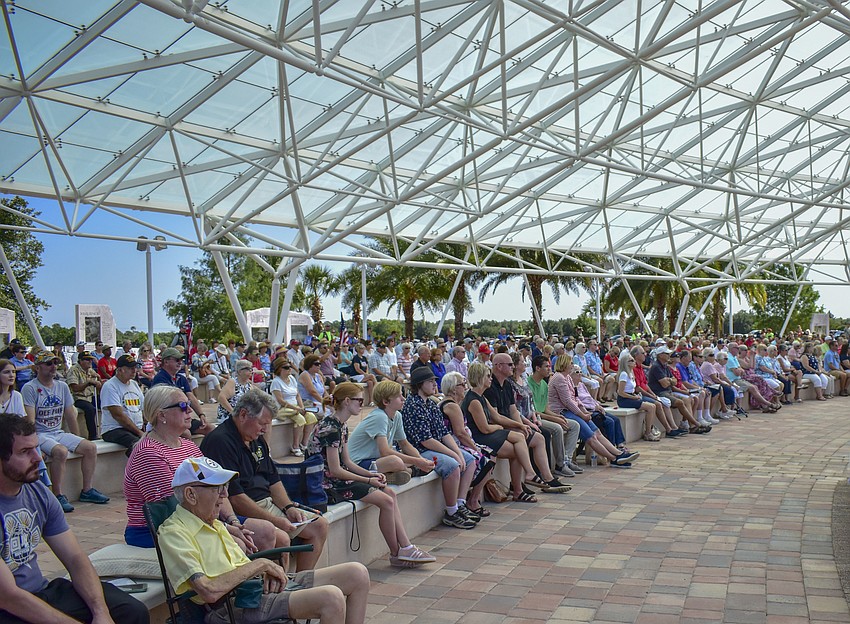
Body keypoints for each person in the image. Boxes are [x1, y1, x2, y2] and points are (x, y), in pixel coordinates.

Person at [158, 456, 370, 624]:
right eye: (217, 488)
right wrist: (260, 565)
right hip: (233, 606)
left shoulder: (211, 521)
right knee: (330, 598)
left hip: (255, 589)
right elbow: (208, 590)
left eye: (225, 487)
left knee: (357, 573)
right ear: (191, 495)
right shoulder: (175, 532)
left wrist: (260, 569)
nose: (224, 495)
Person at [0, 415, 149, 624]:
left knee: (129, 610)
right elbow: (8, 597)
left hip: (39, 592)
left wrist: (101, 612)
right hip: (7, 607)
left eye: (36, 448)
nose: (38, 458)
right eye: (25, 452)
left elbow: (75, 558)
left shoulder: (37, 492)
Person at [123, 385, 280, 554]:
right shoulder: (148, 453)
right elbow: (173, 508)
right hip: (158, 528)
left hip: (199, 516)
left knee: (266, 531)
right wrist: (224, 528)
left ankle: (260, 578)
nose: (190, 409)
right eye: (183, 406)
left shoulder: (189, 446)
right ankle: (244, 577)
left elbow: (218, 488)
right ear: (162, 415)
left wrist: (233, 521)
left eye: (189, 403)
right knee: (237, 545)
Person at [307, 383, 437, 565]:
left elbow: (348, 463)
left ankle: (404, 549)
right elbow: (335, 470)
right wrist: (368, 478)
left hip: (339, 478)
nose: (363, 404)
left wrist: (371, 476)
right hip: (328, 484)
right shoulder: (331, 427)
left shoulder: (340, 425)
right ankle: (397, 553)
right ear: (346, 401)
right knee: (386, 500)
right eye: (359, 400)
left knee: (390, 493)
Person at [200, 389, 329, 571]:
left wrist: (288, 507)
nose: (265, 429)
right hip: (247, 509)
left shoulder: (255, 438)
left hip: (268, 504)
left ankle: (301, 583)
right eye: (262, 423)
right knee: (282, 536)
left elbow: (273, 479)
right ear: (243, 415)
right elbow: (235, 498)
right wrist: (275, 520)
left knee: (320, 525)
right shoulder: (220, 442)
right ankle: (283, 588)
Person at [22, 351, 110, 513]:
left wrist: (76, 439)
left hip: (58, 432)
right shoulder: (30, 388)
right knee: (60, 452)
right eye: (49, 364)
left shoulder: (61, 386)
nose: (53, 367)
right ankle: (58, 494)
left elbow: (70, 414)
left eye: (55, 363)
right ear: (38, 367)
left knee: (90, 447)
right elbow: (30, 420)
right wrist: (33, 445)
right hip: (41, 434)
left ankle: (87, 490)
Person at [463, 363, 554, 503]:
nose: (491, 379)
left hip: (488, 434)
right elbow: (485, 428)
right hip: (480, 437)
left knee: (519, 445)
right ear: (480, 378)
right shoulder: (473, 400)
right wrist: (499, 427)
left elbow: (498, 417)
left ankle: (521, 487)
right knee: (519, 443)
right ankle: (527, 477)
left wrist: (519, 424)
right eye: (488, 376)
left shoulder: (481, 397)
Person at [400, 367, 479, 529]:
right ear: (420, 384)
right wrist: (453, 454)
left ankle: (460, 504)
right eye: (430, 381)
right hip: (419, 451)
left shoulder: (430, 403)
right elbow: (425, 441)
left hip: (434, 447)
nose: (434, 384)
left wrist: (457, 451)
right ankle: (451, 512)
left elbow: (443, 433)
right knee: (452, 465)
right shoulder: (413, 405)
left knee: (470, 460)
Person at [483, 353, 569, 492]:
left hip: (510, 425)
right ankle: (522, 483)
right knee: (522, 439)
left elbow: (513, 411)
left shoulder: (506, 385)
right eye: (510, 364)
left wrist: (523, 425)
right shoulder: (490, 387)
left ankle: (547, 478)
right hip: (498, 428)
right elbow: (496, 418)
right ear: (498, 366)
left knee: (539, 438)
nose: (512, 367)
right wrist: (520, 426)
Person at [547, 355, 639, 467]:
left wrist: (584, 411)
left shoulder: (567, 378)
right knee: (591, 436)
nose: (572, 365)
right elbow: (567, 402)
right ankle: (613, 458)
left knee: (597, 432)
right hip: (563, 411)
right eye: (570, 363)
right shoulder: (559, 378)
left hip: (572, 410)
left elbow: (575, 399)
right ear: (564, 364)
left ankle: (618, 454)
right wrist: (582, 414)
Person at [510, 352, 580, 478]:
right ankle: (559, 465)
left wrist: (557, 417)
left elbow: (546, 409)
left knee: (575, 425)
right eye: (547, 367)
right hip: (534, 418)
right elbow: (535, 411)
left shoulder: (544, 384)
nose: (549, 369)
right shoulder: (529, 382)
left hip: (538, 417)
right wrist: (554, 419)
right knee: (556, 429)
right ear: (537, 368)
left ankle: (567, 459)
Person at [347, 380, 430, 483]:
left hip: (375, 460)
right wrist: (417, 462)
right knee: (396, 461)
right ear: (386, 402)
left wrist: (421, 460)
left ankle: (391, 475)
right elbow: (385, 451)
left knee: (408, 457)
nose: (403, 399)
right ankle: (410, 472)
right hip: (357, 464)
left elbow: (404, 444)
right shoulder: (379, 416)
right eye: (399, 396)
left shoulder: (397, 415)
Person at [152, 347, 212, 435]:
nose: (180, 362)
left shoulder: (181, 378)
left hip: (181, 418)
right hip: (167, 420)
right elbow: (166, 405)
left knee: (210, 428)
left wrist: (201, 415)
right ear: (166, 362)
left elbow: (190, 396)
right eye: (177, 359)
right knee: (186, 434)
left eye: (181, 359)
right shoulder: (160, 379)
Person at [99, 355, 145, 454]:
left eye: (135, 367)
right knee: (139, 445)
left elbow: (143, 409)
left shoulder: (134, 384)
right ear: (119, 370)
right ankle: (134, 468)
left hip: (134, 428)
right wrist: (140, 433)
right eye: (130, 368)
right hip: (114, 429)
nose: (134, 370)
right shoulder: (110, 386)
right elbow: (118, 415)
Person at [270, 356, 314, 456]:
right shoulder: (276, 382)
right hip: (282, 409)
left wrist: (302, 407)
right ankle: (295, 447)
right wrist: (296, 408)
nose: (290, 369)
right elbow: (280, 400)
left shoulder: (292, 379)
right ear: (280, 369)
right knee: (300, 419)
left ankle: (304, 444)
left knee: (311, 417)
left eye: (290, 367)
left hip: (295, 407)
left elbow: (297, 394)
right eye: (286, 367)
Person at [616, 350, 659, 441]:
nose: (634, 362)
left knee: (653, 406)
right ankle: (647, 433)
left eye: (633, 360)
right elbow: (620, 392)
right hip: (624, 399)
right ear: (626, 363)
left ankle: (649, 430)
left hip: (631, 396)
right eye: (631, 361)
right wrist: (634, 397)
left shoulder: (631, 374)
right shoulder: (624, 374)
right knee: (650, 407)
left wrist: (635, 396)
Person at [65, 351, 103, 441]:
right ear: (80, 361)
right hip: (78, 398)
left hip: (90, 396)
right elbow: (75, 388)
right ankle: (92, 435)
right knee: (90, 409)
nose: (90, 362)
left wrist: (99, 381)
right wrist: (88, 382)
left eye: (90, 359)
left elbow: (97, 377)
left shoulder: (89, 370)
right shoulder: (74, 370)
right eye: (86, 360)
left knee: (106, 404)